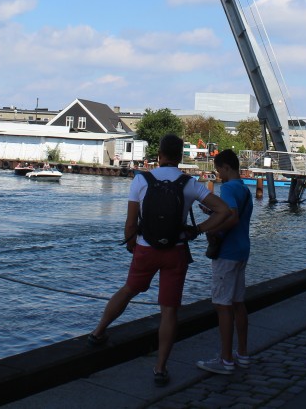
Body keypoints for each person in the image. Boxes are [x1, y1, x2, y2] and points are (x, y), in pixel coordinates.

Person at [87, 134, 231, 388]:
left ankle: (98, 332)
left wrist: (133, 243)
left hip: (145, 248)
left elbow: (131, 222)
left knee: (129, 290)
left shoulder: (141, 179)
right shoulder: (190, 183)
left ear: (160, 155)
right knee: (169, 310)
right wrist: (198, 230)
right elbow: (223, 211)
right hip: (176, 252)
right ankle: (160, 368)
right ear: (180, 157)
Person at [196, 149, 254, 375]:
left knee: (223, 305)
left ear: (227, 167)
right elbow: (235, 214)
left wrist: (209, 229)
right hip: (242, 249)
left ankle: (225, 359)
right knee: (239, 303)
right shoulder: (244, 188)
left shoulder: (228, 188)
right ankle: (242, 353)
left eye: (219, 169)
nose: (218, 174)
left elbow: (231, 216)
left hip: (227, 252)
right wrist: (213, 211)